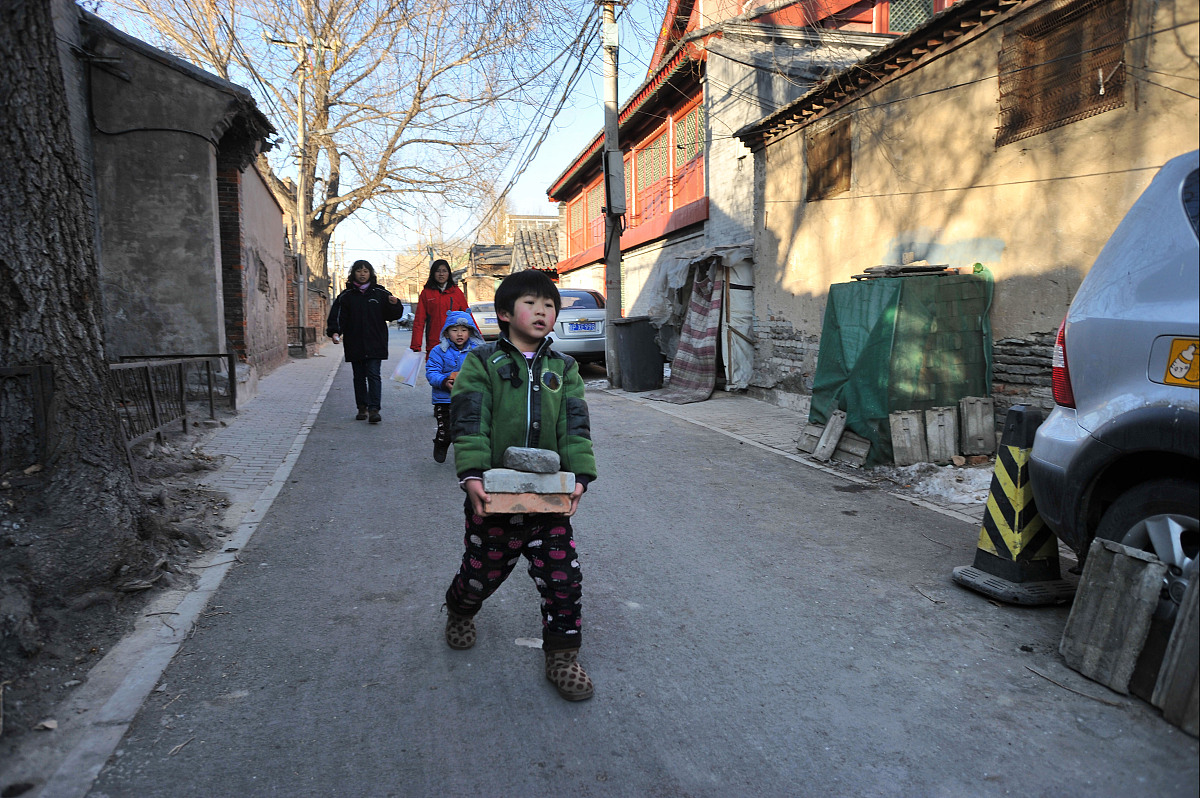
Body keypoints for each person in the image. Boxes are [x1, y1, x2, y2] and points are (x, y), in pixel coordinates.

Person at [442, 269, 598, 701]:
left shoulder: (563, 368)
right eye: (533, 304)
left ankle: (563, 656)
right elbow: (470, 420)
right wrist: (471, 474)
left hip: (548, 501)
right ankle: (459, 609)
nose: (543, 312)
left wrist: (580, 478)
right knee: (481, 576)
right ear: (505, 314)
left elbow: (575, 426)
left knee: (564, 578)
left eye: (550, 306)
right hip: (495, 496)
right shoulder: (481, 362)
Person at [325, 260, 404, 423]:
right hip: (355, 342)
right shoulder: (346, 296)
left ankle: (374, 409)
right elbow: (338, 316)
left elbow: (393, 315)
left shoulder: (380, 294)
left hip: (376, 341)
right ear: (353, 273)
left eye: (365, 271)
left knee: (374, 375)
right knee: (359, 376)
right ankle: (362, 407)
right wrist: (335, 332)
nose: (362, 274)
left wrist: (395, 305)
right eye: (359, 271)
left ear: (370, 274)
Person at [425, 310, 484, 463]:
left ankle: (467, 455)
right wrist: (444, 381)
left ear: (471, 332)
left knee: (467, 429)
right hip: (444, 399)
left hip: (469, 398)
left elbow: (484, 371)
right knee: (447, 430)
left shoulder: (477, 351)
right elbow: (432, 372)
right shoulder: (438, 351)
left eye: (464, 330)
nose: (459, 334)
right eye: (454, 330)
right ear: (446, 332)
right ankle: (441, 442)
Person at [410, 258, 469, 356]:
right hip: (434, 342)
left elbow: (468, 316)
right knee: (434, 369)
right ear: (433, 273)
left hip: (455, 343)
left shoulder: (456, 292)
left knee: (455, 370)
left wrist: (479, 339)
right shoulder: (426, 293)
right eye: (438, 271)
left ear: (449, 274)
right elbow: (419, 321)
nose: (441, 274)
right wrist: (416, 345)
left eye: (444, 271)